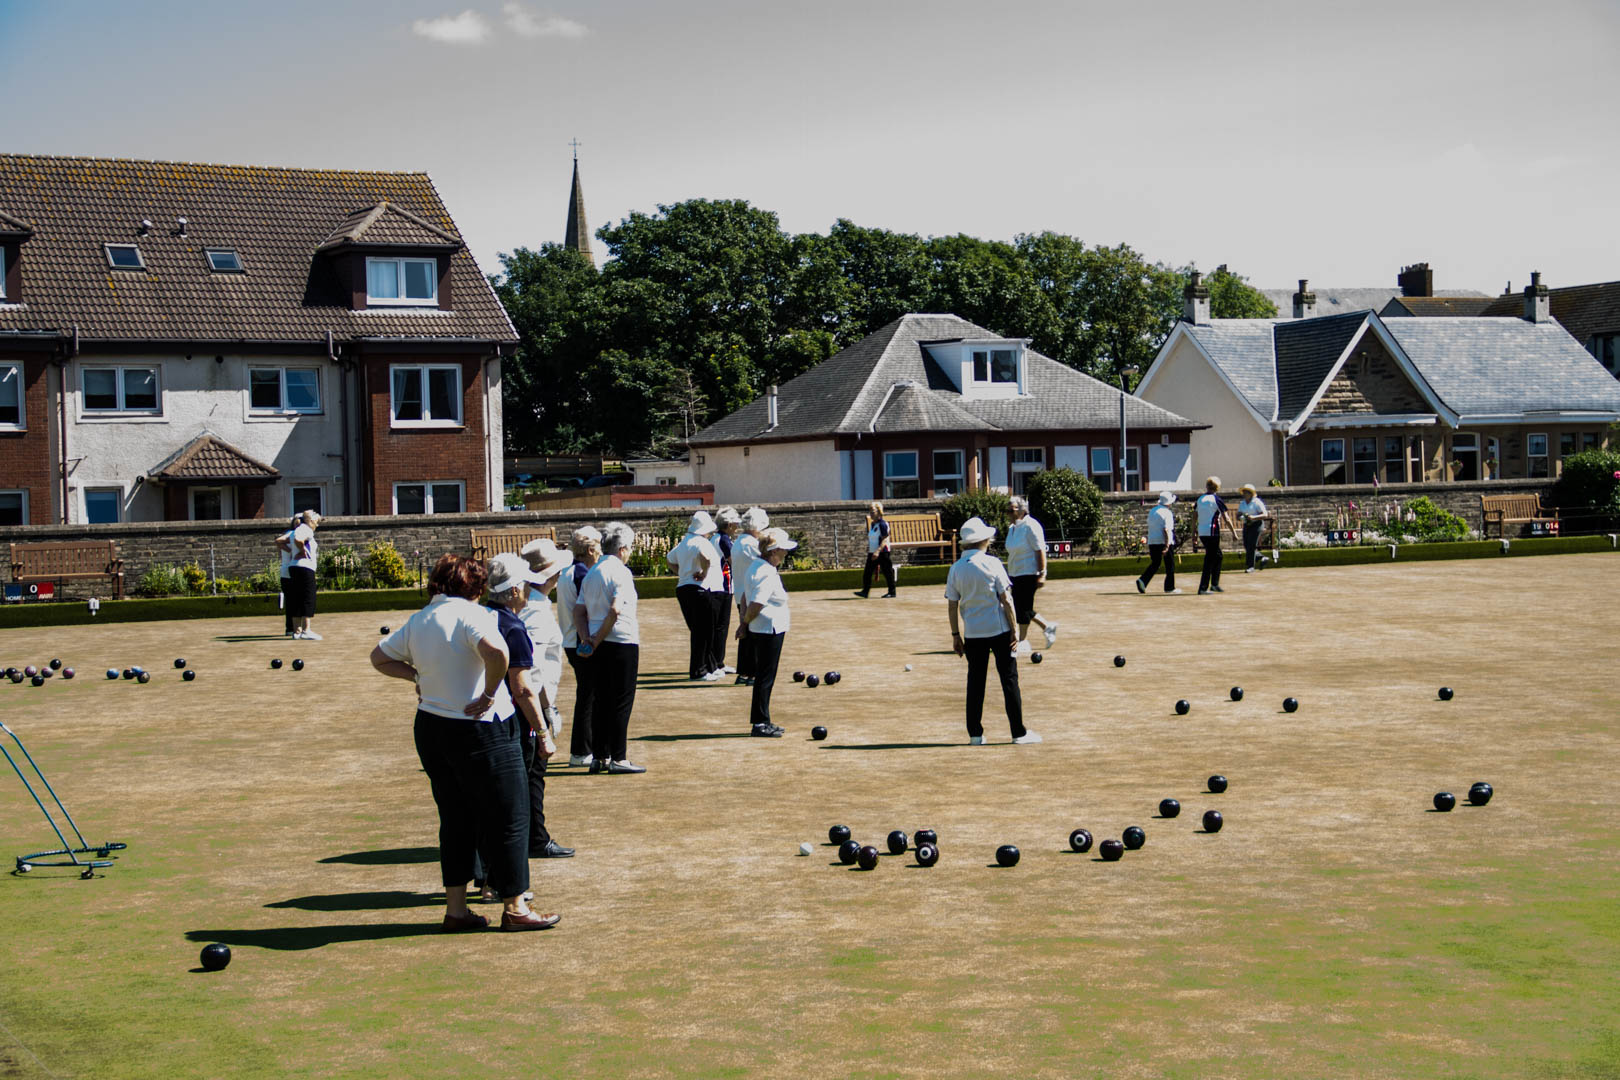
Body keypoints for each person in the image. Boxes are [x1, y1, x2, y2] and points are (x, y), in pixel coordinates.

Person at [369, 554, 558, 932]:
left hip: (433, 729)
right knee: (510, 816)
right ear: (473, 586)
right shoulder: (474, 614)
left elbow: (379, 657)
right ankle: (516, 907)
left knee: (455, 819)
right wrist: (490, 692)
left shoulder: (421, 618)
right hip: (482, 728)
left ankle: (456, 910)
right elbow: (497, 652)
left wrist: (417, 679)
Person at [485, 553, 572, 865]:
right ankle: (533, 839)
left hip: (500, 709)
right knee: (529, 777)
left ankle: (530, 839)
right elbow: (527, 679)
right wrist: (546, 721)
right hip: (518, 710)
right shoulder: (522, 619)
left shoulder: (489, 613)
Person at [944, 516, 1039, 746]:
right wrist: (1014, 629)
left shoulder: (956, 569)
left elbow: (953, 604)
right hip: (999, 630)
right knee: (1009, 680)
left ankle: (975, 735)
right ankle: (1018, 733)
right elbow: (1006, 599)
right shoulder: (993, 563)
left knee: (975, 682)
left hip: (973, 633)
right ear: (985, 540)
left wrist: (955, 635)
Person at [576, 521, 646, 774]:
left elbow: (579, 611)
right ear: (623, 548)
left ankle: (600, 756)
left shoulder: (592, 572)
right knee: (621, 701)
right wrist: (596, 638)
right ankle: (619, 757)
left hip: (597, 641)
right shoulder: (621, 572)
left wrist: (588, 639)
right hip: (621, 641)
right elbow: (616, 610)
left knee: (601, 700)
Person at [736, 527, 796, 737]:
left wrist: (744, 624)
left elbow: (744, 597)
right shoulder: (766, 572)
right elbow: (756, 603)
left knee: (764, 676)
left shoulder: (755, 566)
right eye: (782, 550)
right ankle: (760, 723)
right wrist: (744, 623)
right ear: (772, 552)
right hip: (769, 629)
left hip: (762, 628)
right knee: (765, 677)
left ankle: (763, 720)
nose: (785, 554)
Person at [518, 538, 571, 740]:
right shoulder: (535, 611)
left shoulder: (532, 604)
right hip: (534, 704)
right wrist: (547, 708)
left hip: (534, 700)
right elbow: (534, 668)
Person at [556, 526, 600, 768]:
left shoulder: (569, 571)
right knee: (588, 695)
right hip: (580, 641)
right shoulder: (583, 574)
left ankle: (585, 749)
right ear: (590, 549)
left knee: (588, 693)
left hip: (572, 640)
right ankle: (581, 751)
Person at [667, 511, 723, 681]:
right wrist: (703, 573)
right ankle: (699, 671)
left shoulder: (685, 542)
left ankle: (710, 667)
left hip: (683, 589)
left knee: (701, 631)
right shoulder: (702, 543)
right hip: (699, 590)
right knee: (703, 632)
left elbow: (669, 559)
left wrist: (682, 573)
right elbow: (706, 559)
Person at [1005, 496, 1058, 653]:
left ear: (1022, 510)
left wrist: (1042, 573)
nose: (1008, 513)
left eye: (1011, 510)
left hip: (1029, 572)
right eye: (1006, 510)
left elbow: (1039, 550)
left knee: (1022, 608)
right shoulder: (1012, 528)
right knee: (1020, 607)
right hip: (1015, 573)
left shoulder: (1031, 526)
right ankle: (1048, 627)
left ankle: (1022, 641)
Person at [729, 507, 768, 686]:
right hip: (749, 594)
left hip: (741, 592)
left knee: (747, 633)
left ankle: (745, 673)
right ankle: (750, 673)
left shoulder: (739, 541)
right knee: (753, 634)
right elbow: (765, 563)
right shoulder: (750, 544)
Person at [709, 508, 739, 679]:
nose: (737, 526)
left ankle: (717, 662)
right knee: (721, 627)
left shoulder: (716, 538)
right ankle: (716, 663)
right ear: (728, 525)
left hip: (718, 586)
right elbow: (733, 561)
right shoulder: (724, 540)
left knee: (719, 627)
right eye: (735, 524)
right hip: (724, 586)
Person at [1136, 491, 1182, 595]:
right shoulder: (1167, 513)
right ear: (1168, 503)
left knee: (1155, 563)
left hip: (1152, 541)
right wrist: (1167, 546)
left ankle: (1143, 580)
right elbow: (1166, 530)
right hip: (1164, 541)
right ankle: (1169, 587)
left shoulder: (1152, 511)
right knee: (1170, 565)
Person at [286, 510, 322, 640]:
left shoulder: (297, 529)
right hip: (305, 567)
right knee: (308, 597)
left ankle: (297, 631)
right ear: (311, 521)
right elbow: (298, 540)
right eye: (316, 522)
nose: (317, 525)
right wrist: (301, 551)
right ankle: (306, 630)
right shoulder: (306, 529)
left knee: (296, 598)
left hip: (295, 567)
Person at [1195, 476, 1230, 595]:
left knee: (1218, 555)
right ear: (1217, 487)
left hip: (1202, 531)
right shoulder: (1216, 499)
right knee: (1210, 558)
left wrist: (1193, 532)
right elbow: (1226, 518)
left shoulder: (1200, 499)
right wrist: (1234, 532)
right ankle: (1203, 588)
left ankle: (1214, 584)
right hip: (1212, 531)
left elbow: (1194, 516)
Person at [855, 502, 897, 598]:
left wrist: (877, 551)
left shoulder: (883, 524)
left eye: (873, 511)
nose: (871, 514)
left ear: (879, 512)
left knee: (887, 572)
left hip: (882, 552)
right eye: (870, 511)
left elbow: (885, 539)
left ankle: (892, 592)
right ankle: (865, 591)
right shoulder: (873, 524)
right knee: (867, 573)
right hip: (872, 552)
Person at [273, 514, 300, 636]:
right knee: (292, 602)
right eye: (297, 524)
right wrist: (291, 552)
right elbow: (278, 542)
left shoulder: (294, 534)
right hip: (289, 572)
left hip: (288, 571)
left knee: (292, 601)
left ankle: (292, 628)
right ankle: (292, 628)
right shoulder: (291, 534)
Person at [1237, 484, 1273, 572]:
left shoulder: (1257, 502)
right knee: (1246, 545)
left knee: (1252, 545)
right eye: (1244, 492)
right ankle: (1263, 558)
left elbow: (1265, 514)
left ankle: (1251, 567)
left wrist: (1253, 517)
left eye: (1247, 492)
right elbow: (1238, 515)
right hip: (1247, 525)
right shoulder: (1242, 503)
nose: (1245, 494)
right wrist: (1241, 517)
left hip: (1257, 525)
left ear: (1251, 493)